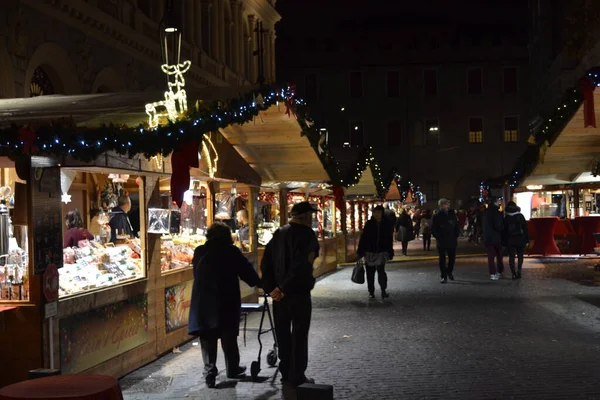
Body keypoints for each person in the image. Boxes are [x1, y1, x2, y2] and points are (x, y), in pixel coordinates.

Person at [188, 222, 261, 388]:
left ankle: (210, 372)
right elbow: (247, 273)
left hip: (204, 301)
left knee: (207, 336)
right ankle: (232, 368)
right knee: (228, 335)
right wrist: (264, 284)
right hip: (226, 298)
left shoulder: (200, 251)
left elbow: (196, 273)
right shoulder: (231, 251)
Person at [261, 201, 320, 387]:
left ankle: (286, 373)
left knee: (283, 335)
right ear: (305, 216)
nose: (312, 218)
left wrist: (272, 289)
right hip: (298, 294)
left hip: (280, 297)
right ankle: (297, 375)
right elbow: (301, 265)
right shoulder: (307, 236)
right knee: (299, 335)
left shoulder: (279, 233)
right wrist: (283, 288)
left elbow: (266, 263)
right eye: (311, 215)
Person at [358, 205, 394, 299]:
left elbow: (389, 239)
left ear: (382, 213)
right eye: (375, 213)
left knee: (381, 272)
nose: (376, 215)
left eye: (378, 212)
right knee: (370, 273)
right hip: (370, 252)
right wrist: (361, 251)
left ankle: (383, 290)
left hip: (381, 252)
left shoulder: (386, 224)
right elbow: (363, 238)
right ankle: (371, 292)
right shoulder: (369, 224)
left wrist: (390, 251)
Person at [431, 198, 461, 283]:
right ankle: (443, 276)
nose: (448, 205)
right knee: (442, 259)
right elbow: (433, 229)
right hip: (442, 240)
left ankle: (449, 271)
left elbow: (457, 225)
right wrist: (438, 237)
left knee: (452, 258)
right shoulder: (437, 215)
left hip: (451, 239)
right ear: (442, 205)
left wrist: (456, 234)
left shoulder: (452, 214)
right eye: (446, 204)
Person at [503, 201, 529, 280]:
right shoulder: (520, 216)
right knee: (520, 256)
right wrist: (527, 240)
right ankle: (519, 271)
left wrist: (504, 242)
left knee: (512, 257)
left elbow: (504, 231)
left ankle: (513, 274)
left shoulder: (507, 217)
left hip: (511, 240)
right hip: (520, 239)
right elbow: (525, 229)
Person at [482, 199, 505, 280]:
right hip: (496, 237)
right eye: (498, 202)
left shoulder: (485, 213)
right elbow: (498, 225)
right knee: (499, 255)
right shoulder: (497, 213)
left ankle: (492, 273)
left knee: (490, 256)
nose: (500, 203)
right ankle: (499, 271)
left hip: (487, 237)